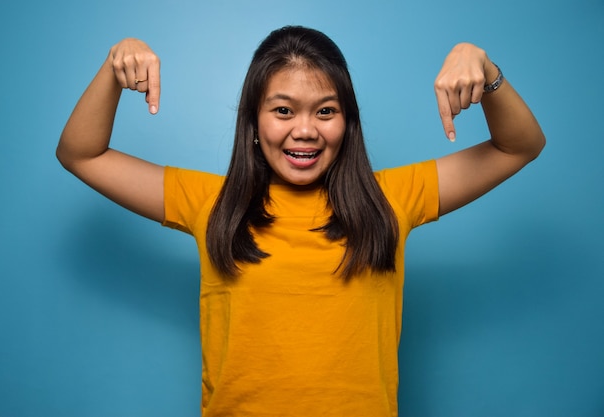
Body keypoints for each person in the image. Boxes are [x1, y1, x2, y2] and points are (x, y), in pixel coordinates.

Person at [57, 26, 545, 417]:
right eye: (283, 110)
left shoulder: (391, 198)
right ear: (253, 121)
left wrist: (482, 64)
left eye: (326, 111)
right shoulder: (211, 202)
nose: (305, 129)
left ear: (347, 122)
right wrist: (114, 63)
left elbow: (519, 145)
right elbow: (82, 153)